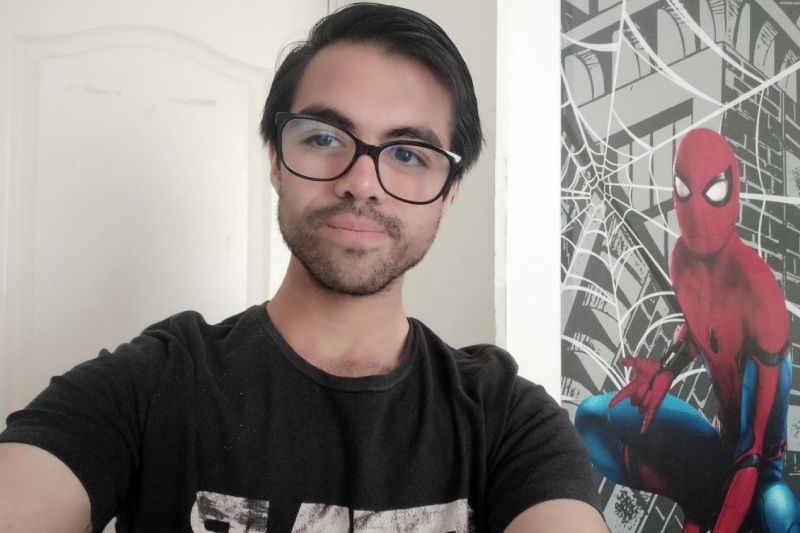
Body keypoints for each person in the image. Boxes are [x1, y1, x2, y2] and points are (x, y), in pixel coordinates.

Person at [0, 3, 606, 532]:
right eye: (322, 138)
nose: (361, 182)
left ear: (449, 190)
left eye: (407, 153)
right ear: (275, 158)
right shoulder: (153, 385)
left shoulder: (507, 420)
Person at [576, 128, 800, 532]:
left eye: (714, 191)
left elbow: (751, 450)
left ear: (733, 192)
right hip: (717, 450)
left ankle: (708, 505)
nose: (696, 212)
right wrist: (666, 369)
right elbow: (704, 326)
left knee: (779, 515)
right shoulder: (682, 260)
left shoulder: (759, 291)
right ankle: (701, 498)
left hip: (760, 466)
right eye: (683, 190)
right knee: (593, 418)